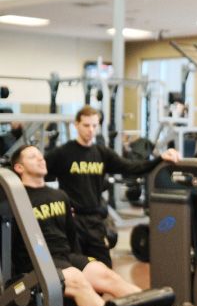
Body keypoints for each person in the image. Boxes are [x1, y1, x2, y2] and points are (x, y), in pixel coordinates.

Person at [9, 145, 195, 306]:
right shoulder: (12, 200)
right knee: (77, 279)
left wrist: (80, 262)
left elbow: (71, 237)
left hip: (65, 257)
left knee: (105, 274)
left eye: (40, 155)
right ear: (18, 167)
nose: (41, 159)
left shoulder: (59, 196)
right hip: (37, 263)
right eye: (32, 157)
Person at [44, 105, 180, 267]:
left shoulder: (102, 153)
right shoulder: (63, 153)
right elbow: (38, 175)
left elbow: (132, 167)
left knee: (104, 267)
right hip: (72, 220)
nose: (91, 130)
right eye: (86, 125)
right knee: (75, 268)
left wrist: (160, 159)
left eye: (94, 126)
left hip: (94, 220)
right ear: (76, 125)